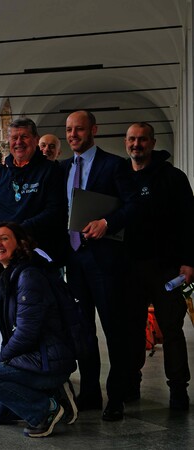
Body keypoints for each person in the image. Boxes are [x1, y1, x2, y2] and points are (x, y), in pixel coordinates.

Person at [61, 110, 138, 421]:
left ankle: (116, 395)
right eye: (69, 130)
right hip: (73, 261)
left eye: (79, 129)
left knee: (113, 329)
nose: (73, 135)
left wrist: (107, 222)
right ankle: (90, 392)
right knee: (82, 331)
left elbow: (134, 205)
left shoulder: (113, 165)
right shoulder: (62, 168)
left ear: (94, 129)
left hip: (105, 261)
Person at [0, 222, 77, 438]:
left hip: (47, 362)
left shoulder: (28, 276)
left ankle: (47, 410)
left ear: (20, 244)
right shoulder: (6, 278)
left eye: (4, 238)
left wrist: (1, 363)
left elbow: (26, 333)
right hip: (32, 360)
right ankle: (54, 395)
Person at [122, 122, 194, 410]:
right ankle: (131, 381)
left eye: (141, 139)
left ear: (152, 143)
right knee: (131, 329)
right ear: (126, 143)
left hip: (167, 267)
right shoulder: (121, 177)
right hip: (130, 267)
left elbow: (190, 222)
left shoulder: (173, 178)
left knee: (172, 329)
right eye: (131, 139)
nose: (136, 144)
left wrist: (189, 262)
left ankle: (178, 389)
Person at [0, 118, 68, 264]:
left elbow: (55, 211)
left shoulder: (51, 170)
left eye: (24, 137)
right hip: (2, 258)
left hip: (37, 255)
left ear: (35, 139)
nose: (19, 142)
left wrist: (16, 232)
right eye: (14, 138)